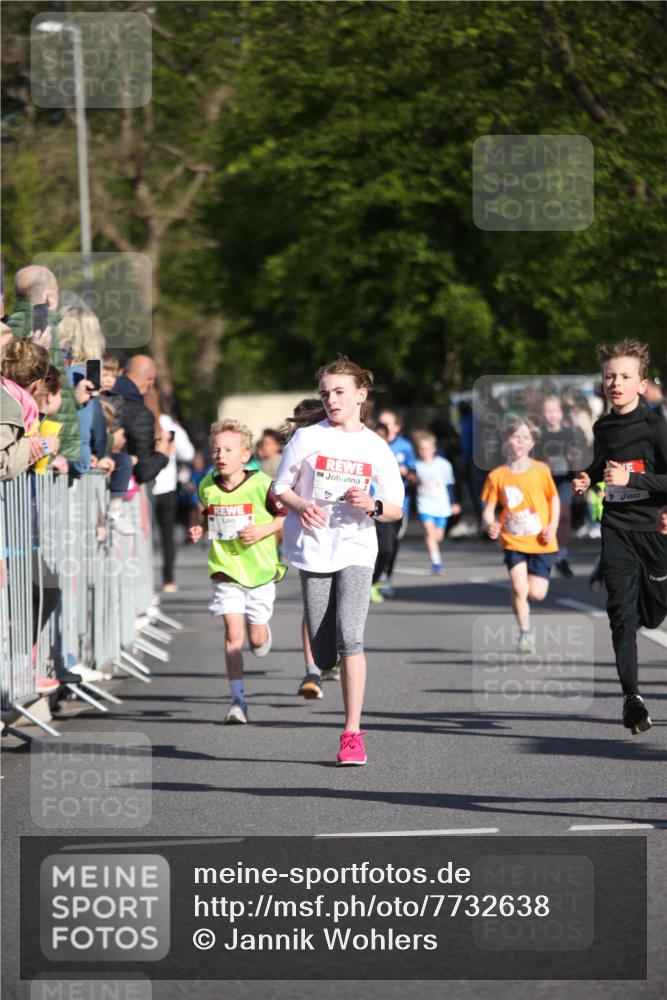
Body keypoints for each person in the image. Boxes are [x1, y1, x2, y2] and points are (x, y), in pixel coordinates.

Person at [274, 358, 404, 766]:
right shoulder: (306, 439)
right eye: (326, 393)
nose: (331, 399)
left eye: (340, 391)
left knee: (352, 637)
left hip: (356, 547)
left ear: (360, 396)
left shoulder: (374, 446)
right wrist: (299, 504)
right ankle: (323, 664)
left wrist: (373, 504)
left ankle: (352, 733)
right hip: (314, 546)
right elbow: (280, 488)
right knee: (324, 648)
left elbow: (396, 507)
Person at [572, 339, 667, 735]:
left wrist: (633, 479)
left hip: (653, 533)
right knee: (621, 615)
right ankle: (632, 698)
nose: (616, 382)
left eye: (625, 376)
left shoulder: (656, 428)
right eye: (610, 375)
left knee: (653, 613)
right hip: (616, 529)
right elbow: (601, 463)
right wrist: (587, 476)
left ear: (641, 384)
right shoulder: (603, 426)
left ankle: (650, 606)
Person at [188, 419, 287, 724]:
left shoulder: (261, 485)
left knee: (255, 640)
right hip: (225, 569)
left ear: (244, 455)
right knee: (233, 633)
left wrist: (263, 530)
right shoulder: (206, 484)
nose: (220, 454)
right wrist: (199, 527)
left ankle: (261, 633)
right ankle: (237, 701)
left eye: (228, 449)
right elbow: (206, 512)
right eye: (216, 449)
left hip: (259, 570)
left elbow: (285, 516)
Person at [481, 417, 560, 654]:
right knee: (519, 588)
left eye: (526, 437)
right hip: (512, 540)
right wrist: (490, 525)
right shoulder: (497, 475)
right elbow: (488, 509)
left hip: (541, 541)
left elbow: (553, 498)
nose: (520, 441)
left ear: (532, 442)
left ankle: (521, 605)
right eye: (515, 436)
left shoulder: (541, 470)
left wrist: (553, 526)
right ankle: (525, 633)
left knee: (536, 593)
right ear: (506, 441)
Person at [6, 264, 81, 466]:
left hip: (28, 446)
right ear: (50, 298)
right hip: (46, 447)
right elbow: (54, 393)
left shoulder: (10, 325)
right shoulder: (43, 327)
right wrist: (60, 452)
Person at [535, 395, 582, 577]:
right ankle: (547, 553)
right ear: (542, 414)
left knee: (564, 516)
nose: (551, 415)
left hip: (564, 479)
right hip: (545, 480)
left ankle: (562, 556)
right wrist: (543, 463)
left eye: (554, 411)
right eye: (547, 411)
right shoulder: (539, 434)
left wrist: (574, 465)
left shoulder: (569, 433)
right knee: (546, 518)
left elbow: (576, 456)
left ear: (561, 413)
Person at [373, 409, 415, 597]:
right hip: (373, 506)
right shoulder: (369, 445)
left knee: (391, 546)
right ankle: (372, 580)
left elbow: (414, 474)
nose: (384, 427)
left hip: (398, 506)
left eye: (388, 423)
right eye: (381, 423)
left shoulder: (404, 446)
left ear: (397, 427)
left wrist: (407, 473)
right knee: (380, 546)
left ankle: (385, 577)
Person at [153, 413, 195, 592]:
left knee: (141, 536)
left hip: (144, 487)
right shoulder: (172, 425)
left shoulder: (136, 415)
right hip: (166, 487)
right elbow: (189, 454)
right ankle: (168, 579)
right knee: (166, 535)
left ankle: (143, 583)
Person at [114, 355, 170, 485]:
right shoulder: (140, 414)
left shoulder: (104, 394)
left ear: (122, 372)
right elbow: (145, 471)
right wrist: (162, 453)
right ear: (150, 381)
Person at [412, 430, 461, 574]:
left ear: (434, 448)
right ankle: (436, 562)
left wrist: (454, 503)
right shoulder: (416, 465)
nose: (424, 451)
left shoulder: (444, 464)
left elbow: (450, 484)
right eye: (421, 448)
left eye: (427, 448)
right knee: (429, 531)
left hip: (441, 506)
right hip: (424, 505)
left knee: (437, 537)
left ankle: (431, 544)